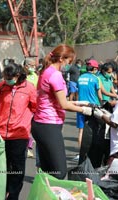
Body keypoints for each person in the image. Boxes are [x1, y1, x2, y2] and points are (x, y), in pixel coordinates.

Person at [31, 44, 92, 179]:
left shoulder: (46, 71)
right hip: (48, 125)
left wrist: (79, 102)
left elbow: (57, 101)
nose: (69, 65)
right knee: (59, 172)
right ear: (62, 59)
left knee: (48, 171)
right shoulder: (55, 75)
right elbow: (63, 104)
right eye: (69, 61)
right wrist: (84, 110)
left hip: (41, 124)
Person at [0, 63, 37, 200]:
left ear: (18, 75)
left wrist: (25, 120)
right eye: (5, 77)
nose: (7, 80)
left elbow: (35, 107)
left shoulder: (29, 88)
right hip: (1, 134)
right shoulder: (1, 87)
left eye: (9, 77)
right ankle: (2, 193)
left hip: (19, 134)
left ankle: (13, 196)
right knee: (3, 167)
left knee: (17, 169)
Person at [76, 59, 102, 161]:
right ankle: (89, 154)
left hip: (80, 106)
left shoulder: (80, 78)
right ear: (95, 69)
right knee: (92, 131)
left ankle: (80, 155)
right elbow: (99, 95)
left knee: (81, 131)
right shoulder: (96, 79)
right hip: (92, 107)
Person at [23, 58, 38, 158]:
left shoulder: (35, 76)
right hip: (21, 106)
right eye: (31, 65)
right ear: (26, 66)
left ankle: (28, 147)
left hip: (32, 106)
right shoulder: (20, 75)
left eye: (34, 65)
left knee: (30, 127)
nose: (33, 67)